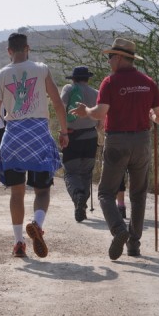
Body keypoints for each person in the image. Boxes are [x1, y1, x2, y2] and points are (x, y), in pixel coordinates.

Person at [72, 37, 159, 260]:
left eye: (110, 57)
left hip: (117, 141)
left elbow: (100, 112)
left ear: (120, 58)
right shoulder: (148, 82)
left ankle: (118, 229)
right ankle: (134, 245)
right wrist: (152, 116)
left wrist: (86, 111)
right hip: (142, 141)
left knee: (105, 192)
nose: (108, 61)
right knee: (138, 194)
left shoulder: (110, 82)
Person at [0, 33, 69, 259]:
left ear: (9, 51)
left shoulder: (0, 75)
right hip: (39, 136)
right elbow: (58, 104)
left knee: (17, 193)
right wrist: (64, 131)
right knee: (42, 190)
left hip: (13, 138)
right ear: (28, 48)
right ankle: (37, 223)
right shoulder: (41, 69)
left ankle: (19, 242)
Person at [60, 66, 100, 222]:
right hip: (91, 137)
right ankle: (82, 206)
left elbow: (61, 109)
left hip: (72, 136)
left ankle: (78, 196)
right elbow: (101, 116)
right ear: (87, 78)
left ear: (74, 78)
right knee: (86, 172)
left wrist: (63, 132)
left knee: (71, 172)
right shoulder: (96, 93)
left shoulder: (69, 89)